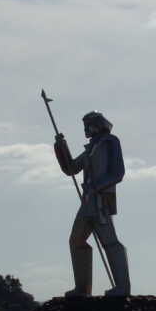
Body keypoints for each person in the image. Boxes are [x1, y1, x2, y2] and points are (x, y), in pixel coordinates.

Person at [54, 111, 130, 297]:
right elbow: (71, 168)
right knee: (76, 240)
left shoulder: (111, 142)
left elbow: (117, 173)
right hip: (88, 201)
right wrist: (61, 147)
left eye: (87, 125)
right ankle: (82, 288)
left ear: (96, 125)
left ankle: (122, 288)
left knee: (110, 242)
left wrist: (96, 186)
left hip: (101, 200)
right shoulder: (91, 148)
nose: (85, 129)